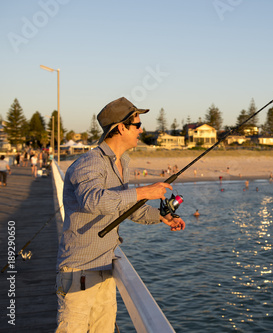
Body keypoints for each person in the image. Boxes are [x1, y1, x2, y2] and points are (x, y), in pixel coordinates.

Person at [55, 97, 185, 332]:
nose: (141, 129)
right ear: (121, 127)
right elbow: (94, 201)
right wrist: (143, 191)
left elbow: (125, 208)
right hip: (79, 272)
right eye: (137, 124)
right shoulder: (90, 164)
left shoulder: (122, 162)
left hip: (104, 268)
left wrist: (161, 217)